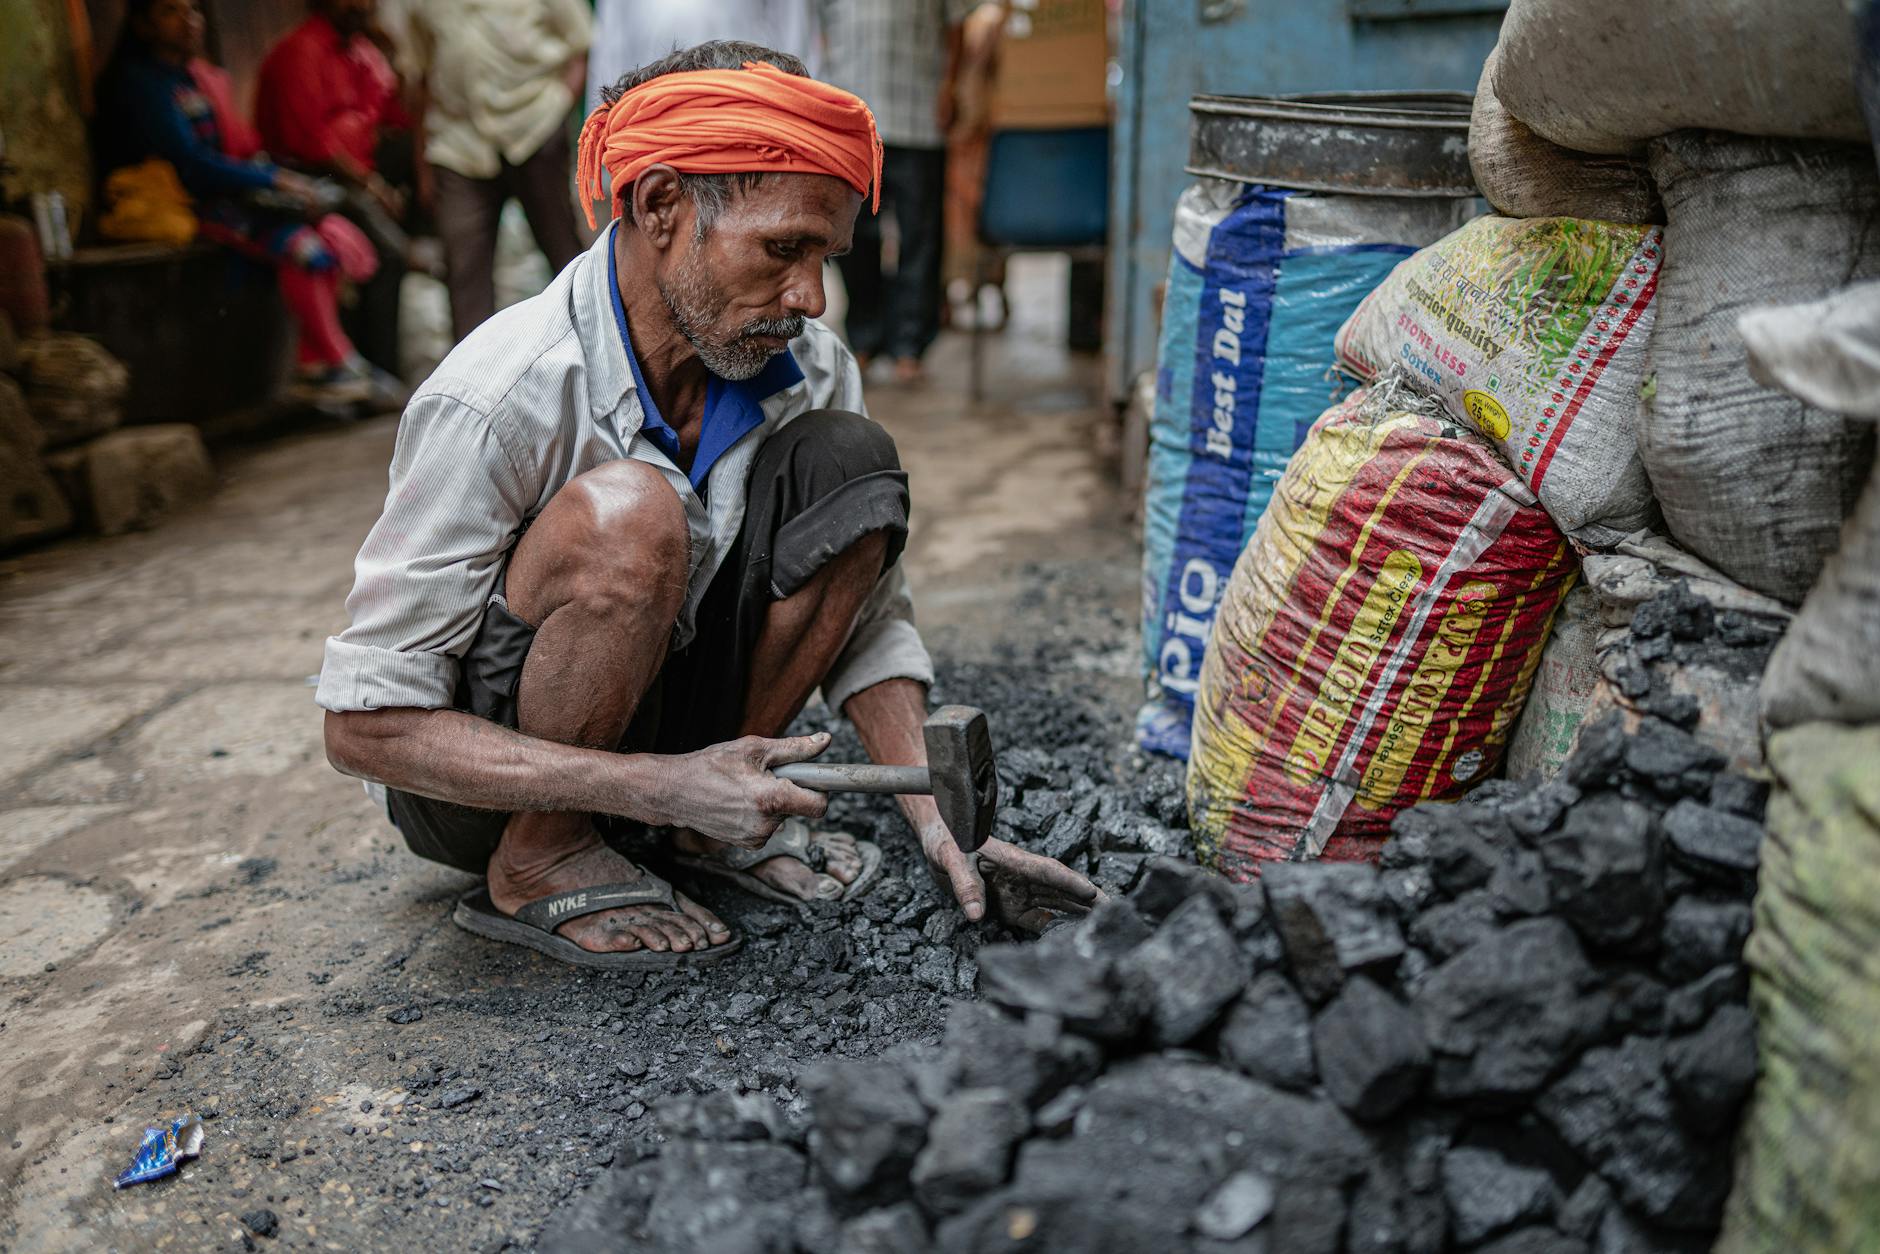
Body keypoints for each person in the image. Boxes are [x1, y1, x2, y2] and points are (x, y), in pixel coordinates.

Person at [318, 41, 1099, 967]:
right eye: (782, 249)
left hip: (677, 740)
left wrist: (936, 815)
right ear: (659, 206)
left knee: (855, 467)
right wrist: (654, 784)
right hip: (480, 794)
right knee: (631, 517)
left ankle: (713, 824)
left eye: (826, 256)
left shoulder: (810, 367)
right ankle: (544, 856)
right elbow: (365, 726)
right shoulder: (500, 395)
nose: (810, 295)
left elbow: (868, 620)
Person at [95, 0, 394, 408]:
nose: (188, 21)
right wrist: (273, 179)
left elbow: (233, 148)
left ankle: (319, 363)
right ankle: (335, 359)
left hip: (223, 194)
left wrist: (273, 178)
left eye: (193, 10)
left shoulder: (192, 79)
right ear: (143, 26)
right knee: (305, 249)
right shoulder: (140, 84)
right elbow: (190, 164)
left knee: (330, 236)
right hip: (182, 206)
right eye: (169, 11)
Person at [400, 0, 592, 343]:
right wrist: (423, 166)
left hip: (534, 127)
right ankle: (474, 382)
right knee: (464, 271)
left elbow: (580, 44)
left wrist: (560, 105)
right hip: (457, 144)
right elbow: (422, 75)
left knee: (566, 256)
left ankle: (593, 350)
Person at [255, 0, 413, 376]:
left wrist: (398, 58)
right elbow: (312, 143)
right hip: (311, 179)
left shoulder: (363, 52)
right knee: (390, 252)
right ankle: (376, 369)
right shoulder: (301, 52)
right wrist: (372, 186)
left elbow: (396, 114)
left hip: (360, 174)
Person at [816, 0, 962, 383]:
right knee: (851, 235)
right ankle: (865, 335)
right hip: (851, 122)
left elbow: (957, 23)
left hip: (919, 116)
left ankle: (909, 344)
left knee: (921, 236)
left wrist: (950, 84)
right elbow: (817, 30)